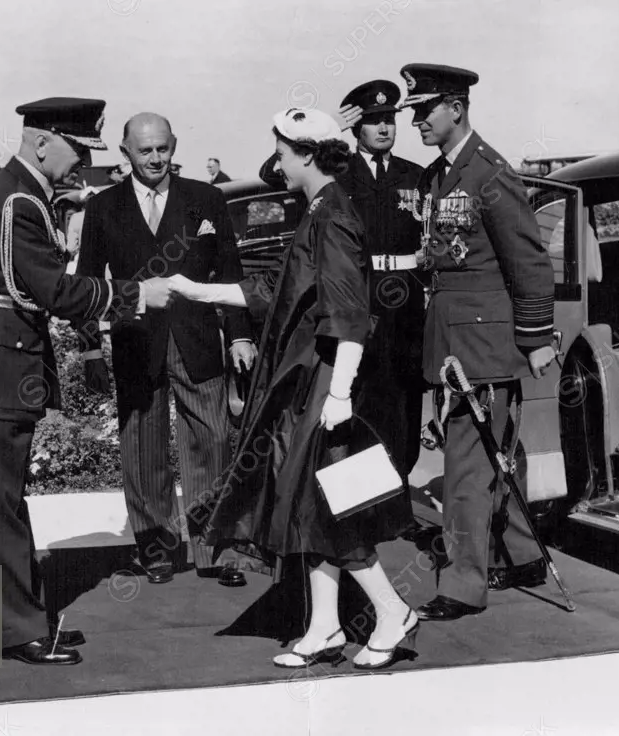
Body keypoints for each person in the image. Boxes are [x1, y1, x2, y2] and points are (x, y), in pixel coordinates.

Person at [0, 97, 173, 666]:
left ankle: (17, 619)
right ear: (42, 142)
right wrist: (134, 294)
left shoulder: (24, 193)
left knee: (1, 504)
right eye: (78, 148)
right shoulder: (17, 199)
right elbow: (49, 291)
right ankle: (14, 630)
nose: (84, 161)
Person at [169, 108, 420, 671]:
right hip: (312, 380)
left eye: (281, 153)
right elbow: (275, 292)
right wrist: (196, 291)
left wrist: (340, 395)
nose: (275, 163)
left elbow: (349, 313)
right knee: (307, 501)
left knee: (332, 501)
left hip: (327, 379)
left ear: (306, 154)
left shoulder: (332, 217)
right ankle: (326, 626)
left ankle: (391, 609)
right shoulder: (320, 211)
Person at [396, 64, 557, 621]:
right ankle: (521, 553)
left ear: (456, 108)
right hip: (452, 335)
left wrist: (535, 337)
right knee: (493, 453)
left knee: (466, 464)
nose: (415, 120)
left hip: (482, 345)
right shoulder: (440, 175)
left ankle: (463, 584)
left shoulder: (488, 174)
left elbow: (529, 261)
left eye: (424, 110)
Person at [77, 113, 256, 587]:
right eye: (145, 151)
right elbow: (88, 285)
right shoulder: (103, 208)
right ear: (125, 154)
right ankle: (155, 548)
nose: (155, 159)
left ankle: (214, 547)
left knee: (213, 441)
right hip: (136, 343)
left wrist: (239, 335)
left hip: (198, 342)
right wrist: (91, 352)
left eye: (163, 149)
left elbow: (230, 274)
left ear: (174, 146)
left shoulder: (207, 198)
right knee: (142, 448)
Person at [335, 79, 426, 499]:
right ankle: (357, 502)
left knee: (405, 397)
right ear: (356, 127)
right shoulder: (337, 172)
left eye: (389, 118)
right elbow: (275, 172)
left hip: (406, 300)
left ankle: (398, 494)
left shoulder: (416, 175)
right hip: (358, 295)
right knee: (358, 395)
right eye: (373, 121)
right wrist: (326, 132)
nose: (385, 127)